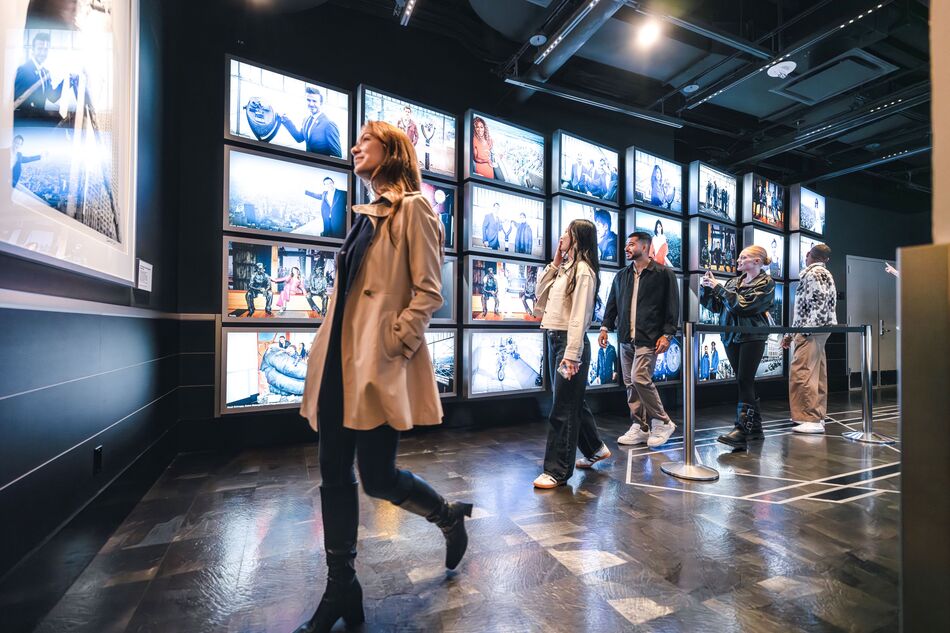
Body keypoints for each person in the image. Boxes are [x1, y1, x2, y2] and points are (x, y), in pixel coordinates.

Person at [296, 121, 472, 633]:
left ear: (391, 150)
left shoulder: (415, 208)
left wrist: (397, 341)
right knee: (333, 470)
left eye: (365, 140)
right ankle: (341, 587)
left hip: (375, 361)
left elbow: (428, 290)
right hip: (338, 362)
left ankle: (446, 516)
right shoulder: (366, 214)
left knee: (376, 477)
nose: (354, 147)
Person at [532, 219, 610, 488]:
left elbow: (579, 317)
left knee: (562, 409)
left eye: (566, 232)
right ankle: (595, 448)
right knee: (571, 401)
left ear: (577, 238)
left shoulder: (584, 272)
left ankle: (557, 471)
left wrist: (572, 354)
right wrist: (555, 261)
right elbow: (538, 296)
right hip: (556, 340)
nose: (562, 236)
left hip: (569, 343)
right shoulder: (564, 268)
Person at [600, 231, 680, 447]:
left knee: (640, 378)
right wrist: (605, 327)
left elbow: (672, 307)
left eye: (631, 244)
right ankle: (640, 426)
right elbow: (612, 304)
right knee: (630, 384)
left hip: (650, 338)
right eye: (627, 244)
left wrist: (668, 334)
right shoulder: (622, 275)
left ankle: (663, 422)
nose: (627, 248)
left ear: (645, 247)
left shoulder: (664, 274)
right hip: (626, 337)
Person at [700, 245, 775, 450]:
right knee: (744, 380)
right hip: (730, 335)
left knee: (744, 379)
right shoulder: (733, 282)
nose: (739, 261)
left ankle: (742, 429)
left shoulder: (766, 283)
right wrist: (707, 288)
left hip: (752, 335)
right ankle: (756, 428)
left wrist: (718, 288)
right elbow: (716, 307)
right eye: (739, 257)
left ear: (757, 261)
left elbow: (743, 306)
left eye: (744, 258)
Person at [782, 244, 837, 434]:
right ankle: (817, 415)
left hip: (811, 330)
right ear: (826, 259)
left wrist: (804, 331)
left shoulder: (813, 274)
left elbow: (814, 306)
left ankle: (808, 418)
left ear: (808, 255)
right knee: (818, 373)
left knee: (802, 372)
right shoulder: (825, 274)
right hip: (820, 329)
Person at [14, 32, 69, 118]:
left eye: (45, 49)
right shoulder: (23, 70)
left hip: (37, 117)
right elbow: (16, 101)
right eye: (39, 49)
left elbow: (52, 98)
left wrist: (66, 80)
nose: (43, 53)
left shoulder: (45, 72)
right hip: (24, 120)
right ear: (33, 49)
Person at [280, 86, 342, 158]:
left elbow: (337, 155)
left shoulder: (329, 124)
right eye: (308, 100)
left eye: (314, 101)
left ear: (321, 103)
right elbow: (299, 138)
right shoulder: (306, 120)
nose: (311, 104)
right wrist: (286, 121)